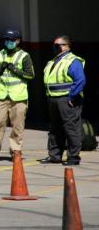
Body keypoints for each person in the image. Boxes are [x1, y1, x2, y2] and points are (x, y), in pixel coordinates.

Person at [0, 29, 34, 161]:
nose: (8, 42)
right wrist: (0, 69)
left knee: (17, 126)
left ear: (18, 41)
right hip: (1, 97)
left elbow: (30, 75)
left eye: (11, 40)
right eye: (6, 39)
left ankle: (16, 151)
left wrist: (15, 70)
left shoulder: (24, 56)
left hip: (19, 98)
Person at [39, 35, 86, 166]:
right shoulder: (54, 61)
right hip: (53, 99)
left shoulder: (72, 61)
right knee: (55, 128)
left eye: (58, 45)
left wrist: (72, 96)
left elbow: (80, 80)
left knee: (71, 128)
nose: (55, 48)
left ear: (66, 46)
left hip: (67, 99)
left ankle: (73, 157)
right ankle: (54, 156)